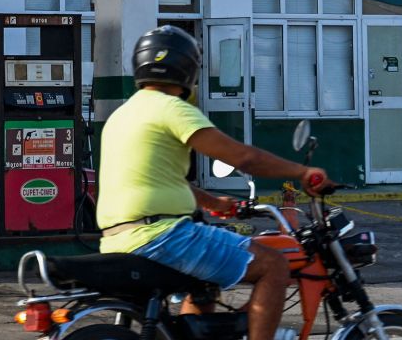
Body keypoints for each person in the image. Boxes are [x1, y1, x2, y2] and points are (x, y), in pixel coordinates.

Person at [97, 26, 332, 340]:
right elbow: (244, 158)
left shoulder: (123, 114)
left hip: (118, 237)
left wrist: (211, 202)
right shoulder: (172, 109)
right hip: (162, 235)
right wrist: (303, 173)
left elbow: (158, 178)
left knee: (204, 285)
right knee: (274, 264)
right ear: (188, 69)